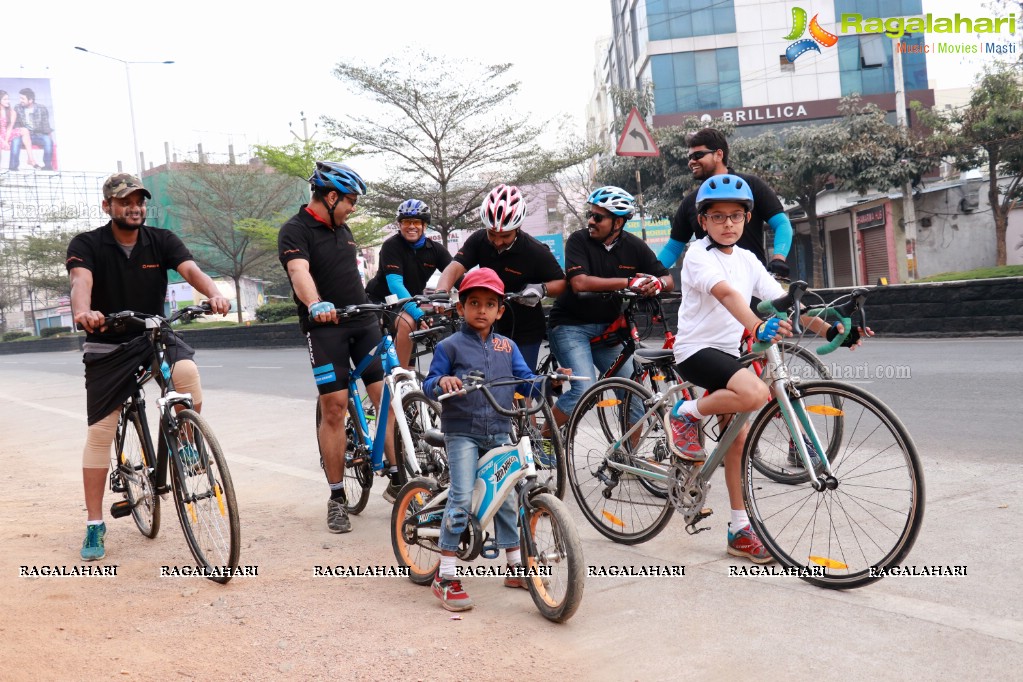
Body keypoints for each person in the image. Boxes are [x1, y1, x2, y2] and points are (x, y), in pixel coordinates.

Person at [666, 174, 866, 563]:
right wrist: (757, 325)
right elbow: (725, 294)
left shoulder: (748, 259)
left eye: (737, 216)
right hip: (696, 351)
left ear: (747, 219)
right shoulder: (697, 256)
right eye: (718, 216)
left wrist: (832, 327)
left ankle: (739, 528)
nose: (728, 224)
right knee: (756, 393)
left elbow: (781, 300)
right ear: (702, 221)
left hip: (729, 352)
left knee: (737, 440)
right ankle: (685, 412)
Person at [66, 173, 231, 561]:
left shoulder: (161, 240)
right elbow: (80, 281)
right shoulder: (87, 244)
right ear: (107, 206)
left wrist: (214, 292)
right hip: (106, 344)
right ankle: (94, 524)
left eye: (139, 200)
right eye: (124, 201)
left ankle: (187, 446)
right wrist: (84, 312)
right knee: (101, 431)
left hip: (151, 334)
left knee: (186, 373)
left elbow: (190, 270)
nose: (134, 206)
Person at [422, 268, 568, 611]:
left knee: (507, 497)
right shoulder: (449, 346)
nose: (482, 310)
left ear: (501, 310)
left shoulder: (508, 346)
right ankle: (445, 575)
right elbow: (429, 383)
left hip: (501, 429)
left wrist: (552, 382)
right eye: (474, 303)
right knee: (461, 495)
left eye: (490, 304)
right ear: (461, 308)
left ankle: (516, 566)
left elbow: (526, 382)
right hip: (462, 432)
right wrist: (442, 383)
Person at [277, 161, 402, 534]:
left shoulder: (343, 230)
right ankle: (336, 497)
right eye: (350, 200)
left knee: (387, 398)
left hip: (362, 321)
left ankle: (398, 478)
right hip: (325, 327)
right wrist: (316, 303)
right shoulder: (295, 230)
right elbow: (300, 272)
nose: (353, 207)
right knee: (333, 408)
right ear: (330, 196)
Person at [546, 186, 672, 428]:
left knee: (634, 394)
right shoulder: (578, 240)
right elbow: (579, 282)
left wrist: (657, 283)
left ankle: (625, 461)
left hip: (608, 329)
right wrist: (629, 282)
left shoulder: (634, 246)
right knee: (585, 389)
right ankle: (545, 441)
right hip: (570, 326)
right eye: (590, 215)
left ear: (618, 223)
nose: (591, 221)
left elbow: (667, 279)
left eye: (598, 217)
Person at [435, 184, 565, 371]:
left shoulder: (535, 251)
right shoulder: (479, 239)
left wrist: (541, 289)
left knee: (520, 387)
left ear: (518, 228)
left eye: (505, 236)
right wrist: (441, 291)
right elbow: (455, 267)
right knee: (486, 381)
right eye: (492, 234)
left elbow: (561, 283)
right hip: (488, 324)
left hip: (525, 329)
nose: (497, 241)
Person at [657, 128, 792, 275]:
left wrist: (778, 259)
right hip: (711, 287)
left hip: (754, 287)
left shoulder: (751, 186)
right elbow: (673, 247)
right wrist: (649, 273)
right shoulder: (691, 201)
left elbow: (782, 224)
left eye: (698, 155)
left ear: (719, 154)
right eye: (689, 157)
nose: (692, 162)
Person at [364, 199, 452, 368]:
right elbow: (395, 286)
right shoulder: (392, 246)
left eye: (416, 222)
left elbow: (456, 275)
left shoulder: (435, 250)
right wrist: (419, 315)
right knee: (409, 322)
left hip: (407, 303)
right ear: (400, 225)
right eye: (406, 222)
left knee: (411, 369)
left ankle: (406, 379)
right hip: (381, 301)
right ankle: (399, 377)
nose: (411, 226)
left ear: (424, 225)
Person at [8, 88, 53, 171]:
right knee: (15, 141)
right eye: (20, 98)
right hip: (23, 135)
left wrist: (50, 137)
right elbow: (16, 124)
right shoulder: (17, 107)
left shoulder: (41, 108)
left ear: (30, 100)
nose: (20, 100)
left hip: (38, 135)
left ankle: (47, 166)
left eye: (22, 99)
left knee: (48, 141)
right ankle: (13, 168)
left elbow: (46, 125)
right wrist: (21, 131)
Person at [0, 90, 39, 168]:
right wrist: (3, 142)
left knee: (25, 130)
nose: (8, 101)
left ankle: (31, 159)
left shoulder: (12, 112)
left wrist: (6, 141)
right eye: (5, 99)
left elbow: (9, 128)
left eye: (8, 99)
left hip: (6, 134)